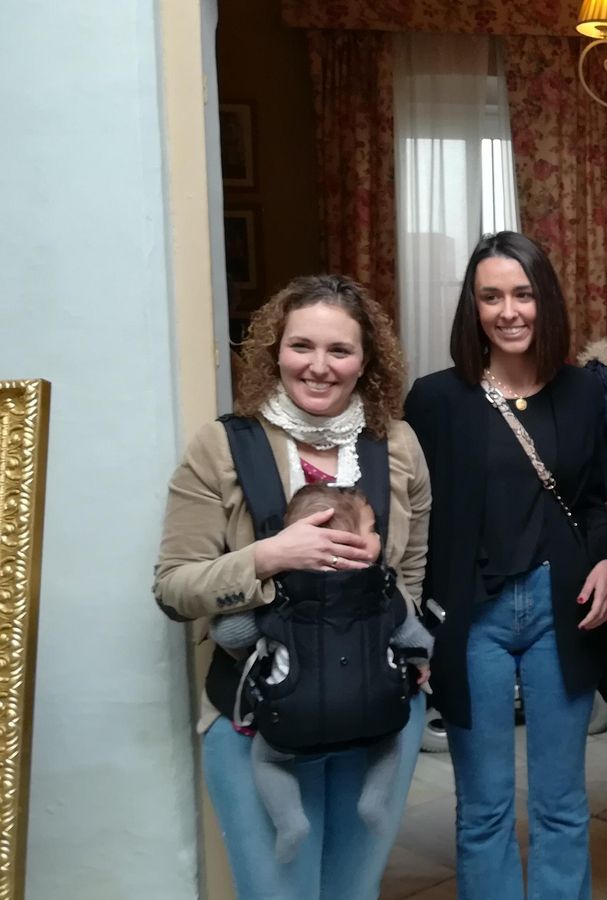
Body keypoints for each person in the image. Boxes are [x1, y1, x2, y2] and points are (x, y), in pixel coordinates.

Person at [154, 274, 430, 900]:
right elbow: (174, 589)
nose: (319, 366)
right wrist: (269, 556)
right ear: (275, 350)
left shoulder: (400, 445)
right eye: (302, 346)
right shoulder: (222, 446)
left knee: (354, 891)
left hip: (379, 716)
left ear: (367, 361)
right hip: (259, 718)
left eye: (340, 351)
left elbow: (412, 568)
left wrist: (413, 648)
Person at [405, 231, 607, 900]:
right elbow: (414, 517)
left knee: (561, 801)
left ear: (545, 300)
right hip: (474, 620)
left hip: (562, 609)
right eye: (491, 296)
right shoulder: (436, 400)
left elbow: (593, 500)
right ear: (472, 308)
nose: (509, 311)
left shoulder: (586, 391)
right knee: (485, 805)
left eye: (523, 294)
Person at [210, 483, 432, 863]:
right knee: (389, 742)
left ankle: (289, 820)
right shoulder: (383, 590)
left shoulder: (278, 592)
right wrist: (422, 663)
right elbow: (416, 639)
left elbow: (228, 633)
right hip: (374, 711)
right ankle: (374, 800)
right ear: (349, 541)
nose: (378, 535)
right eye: (372, 529)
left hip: (292, 718)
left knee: (267, 759)